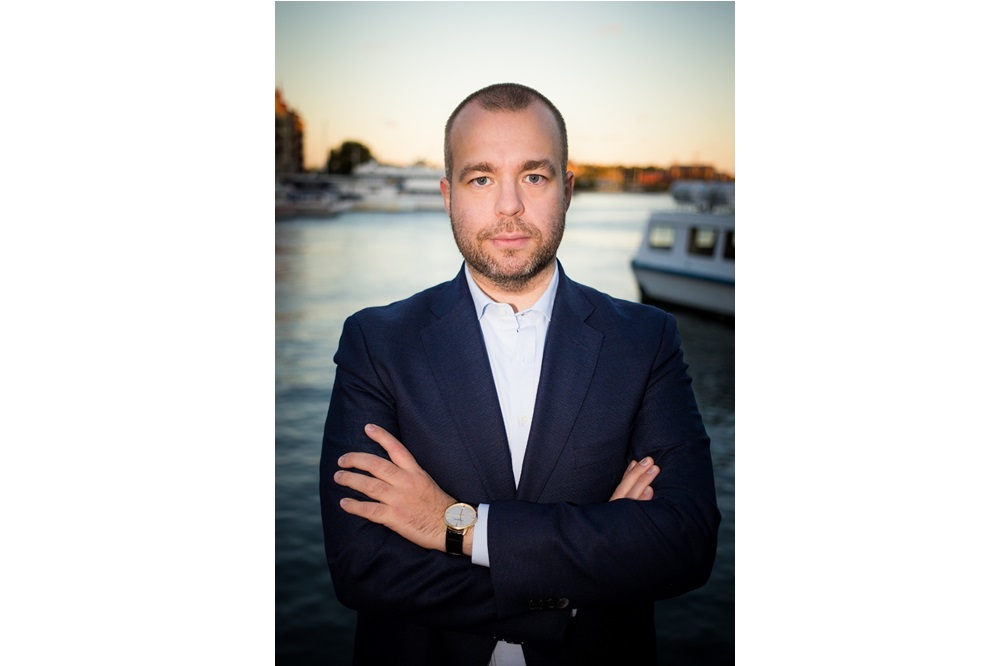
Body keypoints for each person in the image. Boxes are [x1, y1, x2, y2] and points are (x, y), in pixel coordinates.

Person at [319, 82, 720, 665]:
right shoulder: (376, 342)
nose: (508, 205)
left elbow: (685, 543)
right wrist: (580, 579)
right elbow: (362, 565)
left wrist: (455, 526)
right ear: (448, 195)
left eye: (534, 176)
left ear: (567, 190)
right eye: (481, 179)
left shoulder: (645, 339)